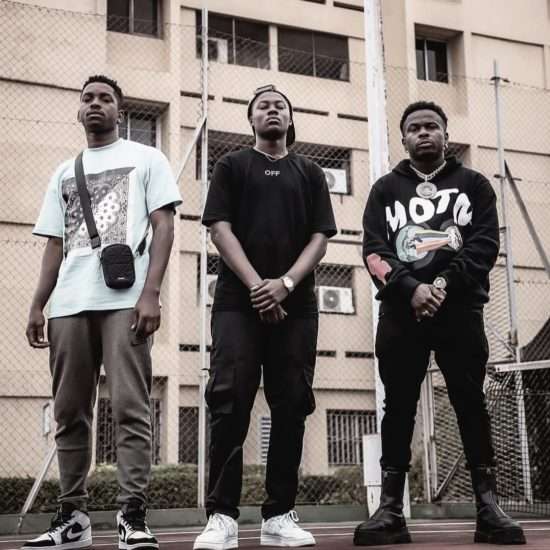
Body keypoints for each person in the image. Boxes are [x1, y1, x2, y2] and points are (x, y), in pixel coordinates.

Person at [354, 101, 526, 546]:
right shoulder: (384, 189)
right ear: (404, 139)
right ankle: (391, 510)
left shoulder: (474, 185)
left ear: (446, 136)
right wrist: (411, 288)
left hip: (460, 312)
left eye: (432, 126)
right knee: (398, 407)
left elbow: (484, 244)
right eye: (414, 128)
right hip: (401, 313)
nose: (424, 133)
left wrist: (443, 285)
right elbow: (373, 250)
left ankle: (488, 508)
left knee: (470, 403)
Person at [23, 75, 182, 550]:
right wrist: (37, 303)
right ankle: (73, 518)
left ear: (119, 110)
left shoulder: (147, 158)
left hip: (124, 301)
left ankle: (132, 516)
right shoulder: (63, 172)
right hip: (68, 305)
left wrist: (151, 293)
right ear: (79, 110)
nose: (96, 104)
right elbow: (55, 245)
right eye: (88, 98)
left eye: (106, 98)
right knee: (70, 412)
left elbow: (164, 226)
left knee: (131, 407)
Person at [193, 85, 337, 550]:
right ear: (251, 120)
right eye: (263, 107)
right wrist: (259, 286)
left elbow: (320, 238)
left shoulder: (310, 172)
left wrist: (286, 284)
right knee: (230, 399)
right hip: (239, 303)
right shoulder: (232, 166)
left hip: (296, 305)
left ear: (290, 119)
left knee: (291, 403)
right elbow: (219, 230)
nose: (272, 110)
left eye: (280, 106)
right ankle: (221, 517)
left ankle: (278, 515)